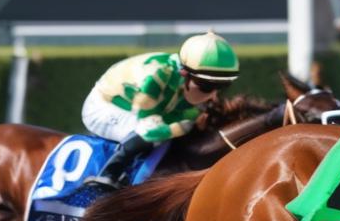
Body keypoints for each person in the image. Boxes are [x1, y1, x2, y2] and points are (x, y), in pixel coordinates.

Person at [81, 31, 240, 191]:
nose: (213, 96)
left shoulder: (182, 76)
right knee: (156, 131)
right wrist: (182, 126)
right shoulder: (155, 77)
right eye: (207, 86)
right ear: (184, 73)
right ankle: (108, 175)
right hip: (106, 108)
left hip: (146, 108)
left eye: (221, 87)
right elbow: (149, 126)